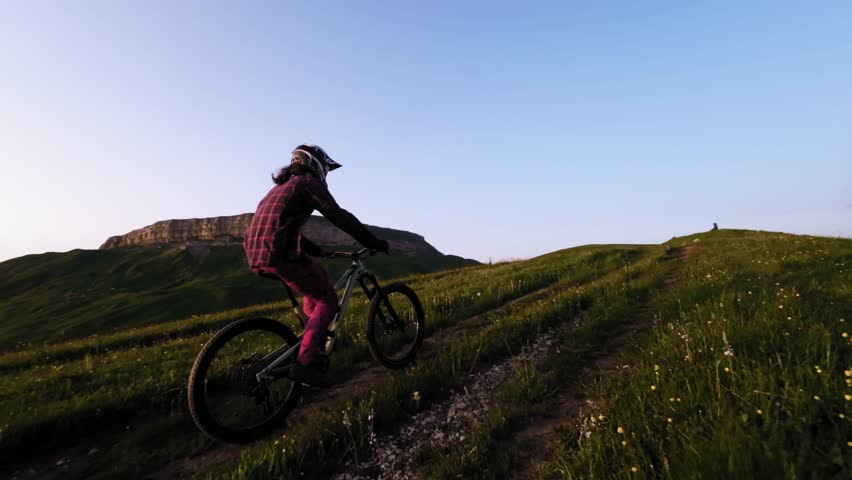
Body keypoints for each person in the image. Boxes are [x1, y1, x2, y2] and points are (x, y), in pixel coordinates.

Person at [243, 144, 389, 387]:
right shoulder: (307, 183)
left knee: (316, 277)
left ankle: (313, 336)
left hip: (257, 254)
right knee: (328, 300)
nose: (326, 174)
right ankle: (306, 363)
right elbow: (338, 216)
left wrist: (318, 251)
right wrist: (372, 241)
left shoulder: (277, 190)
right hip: (279, 255)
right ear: (316, 165)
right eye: (326, 169)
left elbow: (283, 229)